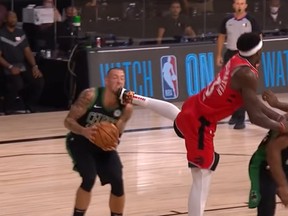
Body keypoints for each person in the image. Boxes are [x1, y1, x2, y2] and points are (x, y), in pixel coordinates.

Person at [118, 32, 288, 216]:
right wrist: (280, 126)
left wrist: (277, 117)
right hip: (201, 123)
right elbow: (254, 116)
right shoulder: (248, 74)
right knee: (202, 176)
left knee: (179, 118)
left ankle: (132, 96)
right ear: (259, 50)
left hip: (196, 105)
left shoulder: (237, 59)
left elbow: (253, 102)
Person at [64, 67, 133, 216]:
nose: (119, 81)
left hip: (102, 146)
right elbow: (68, 121)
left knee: (117, 180)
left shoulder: (126, 107)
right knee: (89, 178)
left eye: (122, 78)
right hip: (80, 140)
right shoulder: (90, 95)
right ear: (106, 81)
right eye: (115, 77)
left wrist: (114, 141)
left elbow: (117, 133)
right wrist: (84, 131)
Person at [216, 0, 261, 129]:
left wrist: (256, 58)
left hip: (245, 54)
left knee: (243, 87)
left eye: (242, 3)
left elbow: (259, 39)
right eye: (237, 3)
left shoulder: (251, 20)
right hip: (230, 53)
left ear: (246, 5)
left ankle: (241, 118)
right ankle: (234, 114)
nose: (239, 6)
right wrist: (219, 54)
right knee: (230, 86)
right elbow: (221, 37)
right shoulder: (227, 20)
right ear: (233, 5)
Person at [248, 90, 288, 216]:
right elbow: (272, 151)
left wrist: (277, 104)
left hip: (284, 162)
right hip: (264, 164)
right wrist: (282, 185)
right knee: (267, 207)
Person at [0, 11, 44, 114]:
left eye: (15, 17)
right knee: (17, 84)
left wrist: (34, 66)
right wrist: (10, 67)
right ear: (5, 20)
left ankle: (30, 104)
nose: (14, 19)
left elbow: (27, 51)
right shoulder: (1, 34)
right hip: (7, 66)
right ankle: (7, 108)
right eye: (11, 17)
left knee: (39, 81)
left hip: (22, 65)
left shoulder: (21, 33)